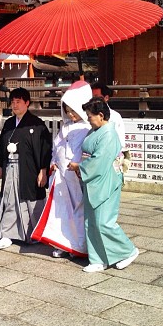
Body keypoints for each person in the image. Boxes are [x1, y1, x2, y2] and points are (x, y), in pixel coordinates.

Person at [68, 96, 140, 273]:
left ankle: (128, 251)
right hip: (94, 180)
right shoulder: (95, 130)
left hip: (105, 180)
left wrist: (79, 166)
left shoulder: (108, 133)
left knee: (104, 222)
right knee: (91, 222)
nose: (88, 119)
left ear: (101, 115)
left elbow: (98, 161)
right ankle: (97, 259)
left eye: (90, 116)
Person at [31, 80, 92, 259]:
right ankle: (63, 243)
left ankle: (79, 245)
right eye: (68, 111)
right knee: (61, 211)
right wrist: (53, 162)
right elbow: (55, 149)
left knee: (78, 211)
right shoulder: (64, 127)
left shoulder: (88, 128)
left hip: (77, 176)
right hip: (61, 176)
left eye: (74, 110)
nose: (71, 114)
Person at [0, 87, 52, 250]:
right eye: (13, 102)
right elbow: (2, 144)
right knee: (9, 200)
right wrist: (1, 166)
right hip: (11, 167)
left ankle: (35, 233)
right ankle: (7, 235)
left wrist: (43, 170)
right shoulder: (10, 123)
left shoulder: (37, 124)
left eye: (18, 101)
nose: (15, 105)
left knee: (30, 202)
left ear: (27, 103)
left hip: (30, 169)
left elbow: (44, 148)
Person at [91, 82, 131, 174]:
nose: (94, 100)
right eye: (92, 97)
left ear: (106, 98)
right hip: (92, 161)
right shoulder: (88, 116)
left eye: (97, 97)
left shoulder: (115, 117)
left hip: (110, 161)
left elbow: (120, 142)